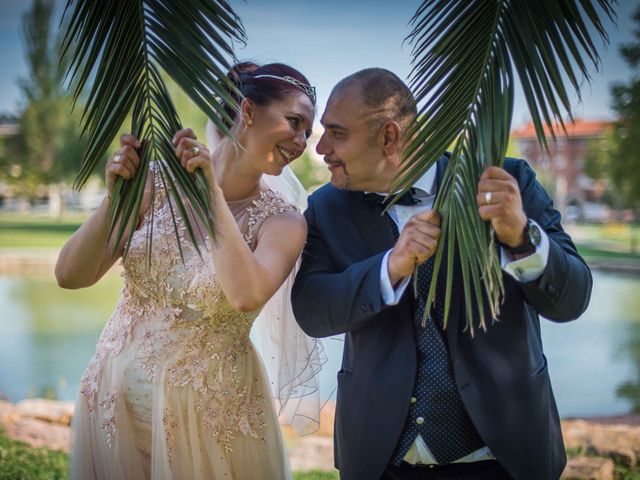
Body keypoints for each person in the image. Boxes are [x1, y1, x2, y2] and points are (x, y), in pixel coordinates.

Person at [291, 68, 593, 480]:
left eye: (337, 133)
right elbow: (311, 309)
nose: (321, 147)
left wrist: (522, 237)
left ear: (390, 136)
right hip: (381, 462)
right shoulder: (326, 208)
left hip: (507, 457)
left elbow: (572, 299)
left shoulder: (506, 182)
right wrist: (389, 268)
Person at [56, 62, 322, 479]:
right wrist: (114, 202)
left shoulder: (284, 223)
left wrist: (210, 195)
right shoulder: (156, 183)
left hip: (207, 419)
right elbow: (70, 275)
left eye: (307, 130)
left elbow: (245, 294)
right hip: (112, 399)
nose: (302, 141)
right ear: (248, 111)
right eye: (295, 122)